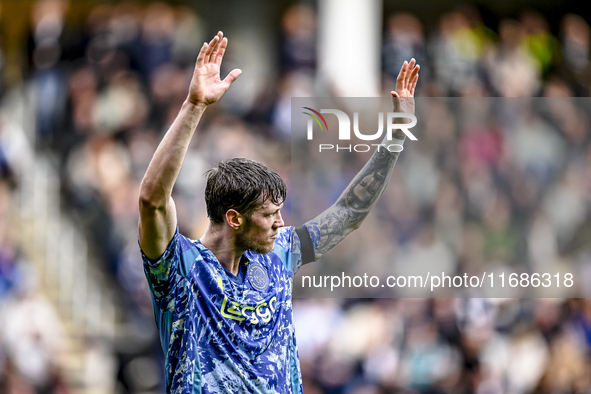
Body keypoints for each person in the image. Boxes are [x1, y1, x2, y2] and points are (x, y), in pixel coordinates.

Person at [138, 31, 419, 394]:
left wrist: (394, 138)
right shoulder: (181, 268)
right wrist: (194, 106)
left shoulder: (281, 252)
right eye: (269, 215)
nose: (281, 223)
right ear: (235, 218)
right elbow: (152, 199)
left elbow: (350, 211)